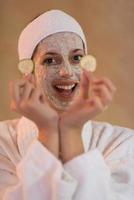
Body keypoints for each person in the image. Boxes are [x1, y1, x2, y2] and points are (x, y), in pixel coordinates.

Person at [0, 9, 134, 200]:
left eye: (77, 58)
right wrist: (47, 132)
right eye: (50, 60)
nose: (66, 72)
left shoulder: (123, 143)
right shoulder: (3, 142)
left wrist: (71, 131)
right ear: (28, 72)